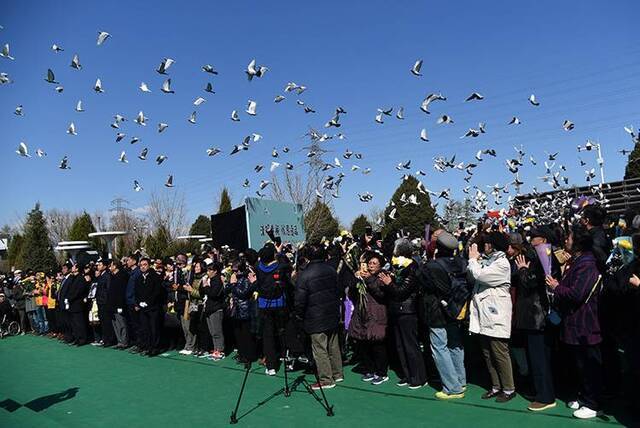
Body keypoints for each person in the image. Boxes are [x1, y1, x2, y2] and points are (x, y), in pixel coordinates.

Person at [546, 225, 603, 419]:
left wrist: (556, 286)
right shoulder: (578, 261)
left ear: (577, 241)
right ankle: (583, 396)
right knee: (579, 364)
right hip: (576, 322)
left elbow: (577, 294)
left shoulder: (586, 263)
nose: (565, 241)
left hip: (585, 322)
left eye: (568, 237)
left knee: (589, 365)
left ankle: (592, 403)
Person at [513, 227, 561, 411]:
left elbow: (531, 282)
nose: (530, 240)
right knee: (538, 357)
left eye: (534, 237)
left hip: (538, 316)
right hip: (535, 315)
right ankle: (541, 391)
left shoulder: (545, 259)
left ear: (543, 239)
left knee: (539, 358)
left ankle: (545, 396)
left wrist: (523, 270)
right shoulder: (541, 258)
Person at [468, 232, 516, 403]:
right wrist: (475, 261)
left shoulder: (502, 263)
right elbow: (472, 273)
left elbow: (481, 276)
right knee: (488, 353)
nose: (484, 246)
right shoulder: (488, 261)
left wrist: (473, 260)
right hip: (484, 314)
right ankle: (496, 386)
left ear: (494, 245)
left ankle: (509, 388)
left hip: (496, 314)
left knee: (500, 353)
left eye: (487, 243)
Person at [421, 231, 469, 400]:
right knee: (455, 344)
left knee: (439, 348)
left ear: (438, 247)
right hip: (456, 308)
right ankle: (460, 380)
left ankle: (452, 387)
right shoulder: (462, 262)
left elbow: (424, 283)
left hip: (436, 310)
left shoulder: (432, 266)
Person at [294, 243, 343, 390]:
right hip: (332, 312)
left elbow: (300, 300)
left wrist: (299, 315)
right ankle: (337, 373)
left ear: (307, 256)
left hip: (315, 316)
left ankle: (326, 379)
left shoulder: (304, 275)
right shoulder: (331, 270)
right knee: (333, 345)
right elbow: (338, 290)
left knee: (319, 348)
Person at [381, 238, 427, 389]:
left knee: (410, 345)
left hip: (407, 310)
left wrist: (389, 283)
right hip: (395, 309)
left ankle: (419, 377)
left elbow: (402, 292)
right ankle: (407, 375)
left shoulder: (412, 267)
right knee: (400, 346)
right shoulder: (395, 266)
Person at [348, 251, 388, 385]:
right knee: (364, 343)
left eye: (374, 263)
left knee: (377, 344)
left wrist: (369, 279)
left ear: (380, 266)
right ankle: (370, 369)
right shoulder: (362, 276)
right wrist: (356, 280)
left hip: (377, 314)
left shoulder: (383, 276)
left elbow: (381, 293)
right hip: (362, 314)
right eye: (369, 263)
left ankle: (381, 372)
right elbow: (352, 293)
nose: (370, 266)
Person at [253, 243, 292, 375]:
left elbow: (259, 262)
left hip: (264, 304)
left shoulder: (258, 267)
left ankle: (271, 366)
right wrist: (279, 253)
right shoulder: (280, 266)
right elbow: (287, 264)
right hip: (279, 303)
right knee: (282, 331)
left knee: (268, 335)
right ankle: (284, 356)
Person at [134, 257, 165, 356]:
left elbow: (157, 292)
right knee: (145, 328)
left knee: (154, 328)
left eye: (145, 265)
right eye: (141, 265)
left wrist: (148, 302)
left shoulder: (155, 276)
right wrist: (139, 303)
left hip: (153, 307)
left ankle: (155, 347)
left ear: (149, 265)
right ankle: (147, 347)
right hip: (143, 307)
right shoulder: (139, 278)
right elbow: (137, 292)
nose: (143, 267)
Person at [202, 261, 226, 360]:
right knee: (212, 331)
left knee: (217, 331)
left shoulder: (217, 280)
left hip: (216, 309)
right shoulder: (210, 280)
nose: (208, 272)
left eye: (210, 270)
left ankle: (220, 350)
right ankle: (216, 348)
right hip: (209, 308)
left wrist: (206, 286)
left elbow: (213, 294)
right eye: (207, 270)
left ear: (215, 271)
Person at [66, 263, 91, 346]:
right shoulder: (73, 278)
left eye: (73, 266)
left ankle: (82, 339)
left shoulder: (81, 278)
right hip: (72, 304)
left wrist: (70, 298)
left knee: (79, 322)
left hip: (78, 304)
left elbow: (78, 291)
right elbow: (70, 290)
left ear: (77, 269)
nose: (72, 268)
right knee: (74, 323)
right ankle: (77, 338)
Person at [108, 260, 129, 349]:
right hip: (112, 304)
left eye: (111, 265)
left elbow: (121, 292)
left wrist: (120, 305)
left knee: (122, 323)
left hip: (119, 304)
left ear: (115, 266)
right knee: (115, 324)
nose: (110, 267)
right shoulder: (112, 276)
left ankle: (124, 342)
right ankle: (119, 341)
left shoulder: (122, 276)